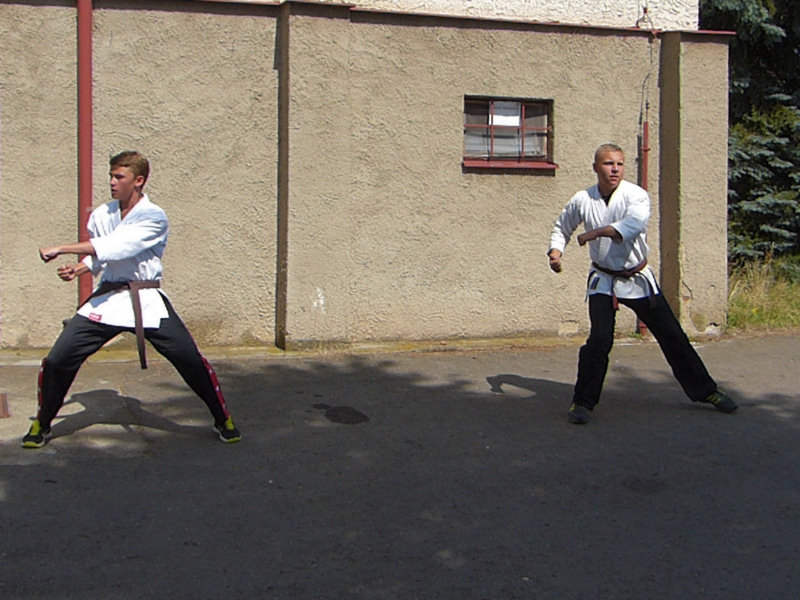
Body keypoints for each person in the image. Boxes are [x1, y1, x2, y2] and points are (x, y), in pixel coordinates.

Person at [22, 150, 241, 447]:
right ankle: (43, 422)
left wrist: (61, 248)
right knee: (58, 359)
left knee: (189, 359)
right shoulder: (102, 214)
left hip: (146, 298)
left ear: (138, 181)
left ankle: (222, 418)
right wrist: (80, 268)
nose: (112, 182)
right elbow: (103, 257)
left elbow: (118, 246)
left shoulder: (154, 216)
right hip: (109, 299)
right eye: (111, 176)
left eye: (119, 177)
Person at [547, 143, 737, 424]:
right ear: (596, 167)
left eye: (620, 164)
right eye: (608, 164)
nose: (615, 169)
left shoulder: (636, 195)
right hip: (603, 281)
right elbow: (562, 226)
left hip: (637, 279)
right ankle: (582, 402)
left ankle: (706, 391)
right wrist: (555, 252)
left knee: (672, 335)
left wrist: (592, 234)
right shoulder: (582, 199)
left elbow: (630, 226)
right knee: (599, 340)